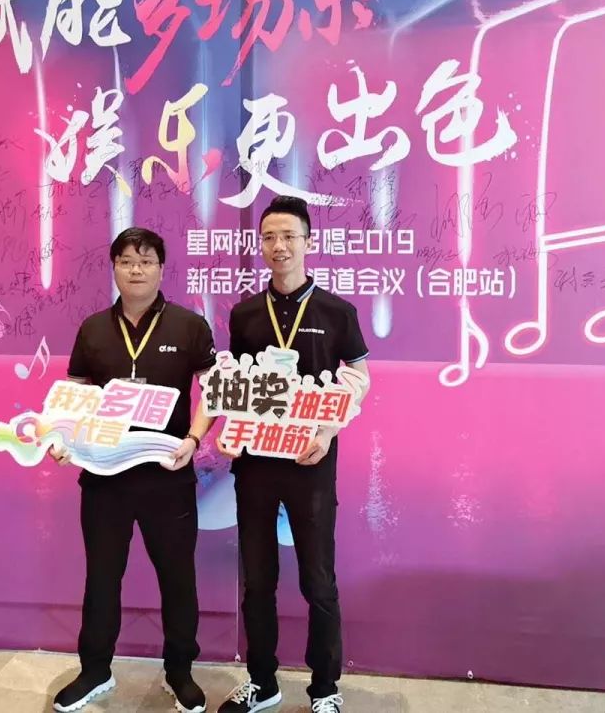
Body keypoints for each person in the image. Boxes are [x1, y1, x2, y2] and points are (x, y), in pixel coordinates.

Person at [52, 227, 216, 713]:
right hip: (104, 477)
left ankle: (180, 671)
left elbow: (212, 391)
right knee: (102, 577)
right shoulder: (93, 328)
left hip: (167, 472)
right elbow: (76, 396)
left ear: (161, 268)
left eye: (145, 261)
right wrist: (63, 439)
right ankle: (95, 671)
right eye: (126, 261)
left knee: (178, 578)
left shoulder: (189, 326)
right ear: (114, 269)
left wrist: (194, 439)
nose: (136, 270)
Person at [218, 197, 370, 713]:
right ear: (260, 244)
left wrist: (327, 432)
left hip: (310, 462)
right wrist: (230, 430)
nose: (278, 246)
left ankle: (325, 688)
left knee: (318, 581)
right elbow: (238, 386)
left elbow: (359, 379)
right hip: (256, 465)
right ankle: (262, 682)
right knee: (258, 580)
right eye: (269, 237)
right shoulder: (244, 313)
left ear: (308, 241)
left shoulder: (336, 312)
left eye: (289, 236)